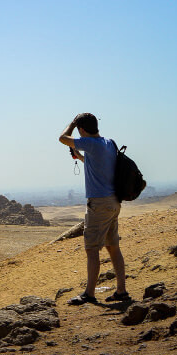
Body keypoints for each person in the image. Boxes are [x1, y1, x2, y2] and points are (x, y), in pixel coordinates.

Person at [59, 113, 130, 305]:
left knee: (92, 249)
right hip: (113, 202)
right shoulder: (109, 143)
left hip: (98, 204)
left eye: (79, 129)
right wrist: (80, 157)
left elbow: (62, 138)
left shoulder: (89, 143)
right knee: (113, 247)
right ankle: (121, 291)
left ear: (82, 130)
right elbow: (99, 166)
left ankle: (89, 294)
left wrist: (72, 124)